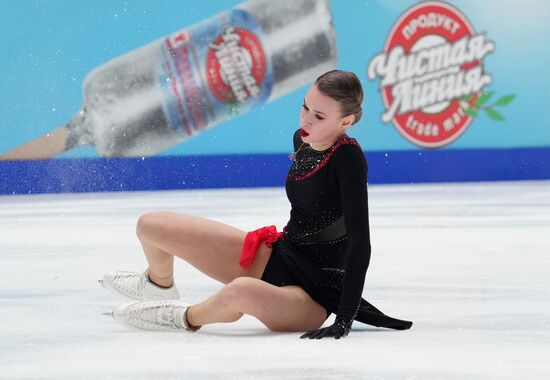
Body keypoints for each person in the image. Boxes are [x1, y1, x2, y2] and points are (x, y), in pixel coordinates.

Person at [101, 70, 412, 339]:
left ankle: (182, 317)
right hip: (279, 256)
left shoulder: (348, 158)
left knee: (239, 291)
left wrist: (343, 320)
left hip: (313, 294)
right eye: (305, 107)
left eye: (319, 116)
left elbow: (361, 243)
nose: (306, 119)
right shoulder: (302, 139)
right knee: (151, 225)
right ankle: (159, 285)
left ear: (347, 120)